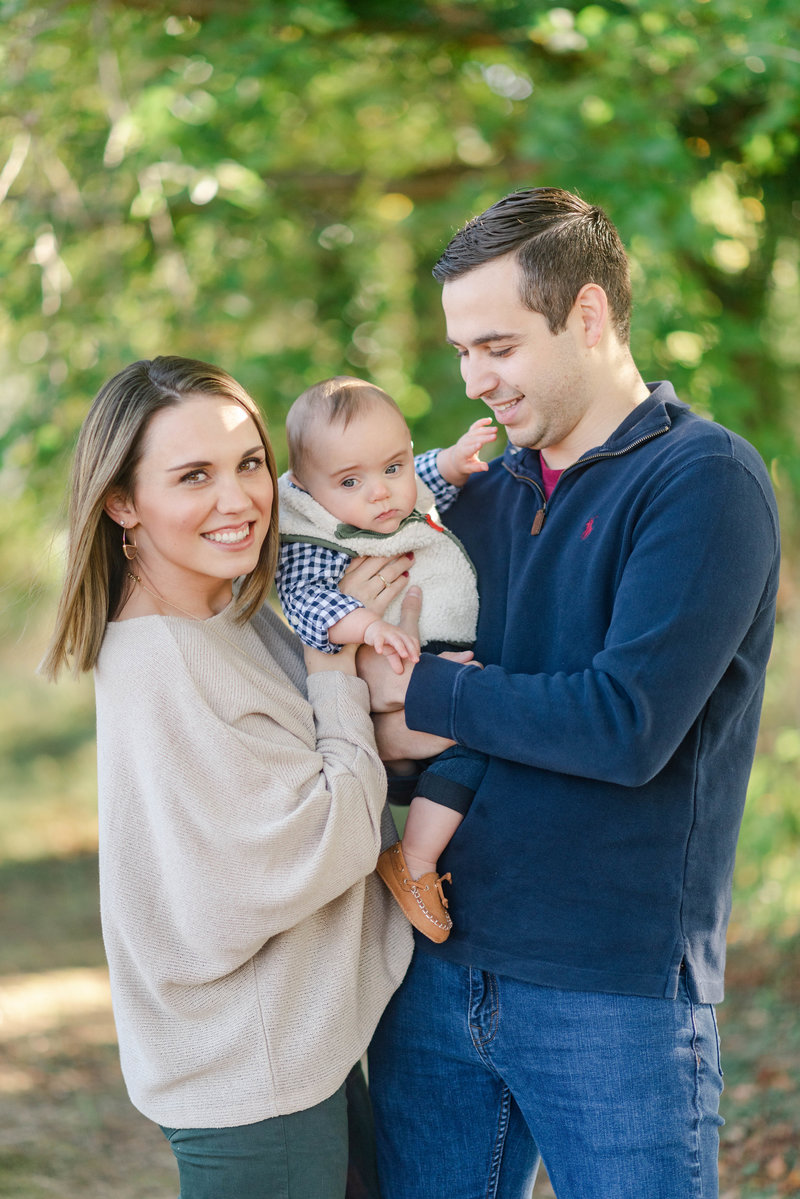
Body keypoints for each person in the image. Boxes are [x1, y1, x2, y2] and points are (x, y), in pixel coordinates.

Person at [358, 188, 781, 1199]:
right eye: (462, 351)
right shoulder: (477, 500)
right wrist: (396, 709)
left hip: (611, 988)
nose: (474, 379)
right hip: (433, 964)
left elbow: (622, 725)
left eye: (497, 346)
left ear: (587, 314)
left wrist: (425, 692)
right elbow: (397, 727)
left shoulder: (702, 480)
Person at [40, 355, 414, 1199]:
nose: (239, 499)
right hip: (253, 1076)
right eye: (193, 476)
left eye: (249, 463)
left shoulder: (224, 612)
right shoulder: (165, 659)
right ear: (122, 502)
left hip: (295, 1049)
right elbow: (326, 839)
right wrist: (332, 663)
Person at [276, 375, 496, 942]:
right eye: (351, 480)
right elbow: (308, 603)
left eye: (391, 467)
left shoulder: (389, 495)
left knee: (470, 753)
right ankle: (414, 861)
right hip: (384, 664)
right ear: (303, 486)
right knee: (472, 746)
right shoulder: (309, 535)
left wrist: (452, 461)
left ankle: (416, 820)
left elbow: (421, 478)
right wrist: (368, 624)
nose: (381, 493)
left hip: (429, 658)